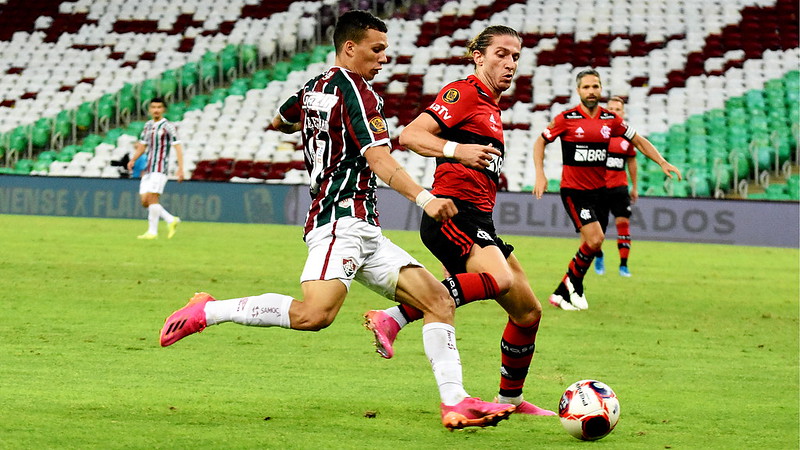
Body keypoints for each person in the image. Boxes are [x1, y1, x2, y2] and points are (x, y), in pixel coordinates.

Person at [158, 11, 516, 430]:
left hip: (365, 227)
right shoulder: (361, 94)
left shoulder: (314, 86)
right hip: (339, 219)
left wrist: (284, 128)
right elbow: (380, 159)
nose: (384, 58)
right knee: (315, 315)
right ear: (350, 48)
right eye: (376, 49)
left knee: (437, 301)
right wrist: (425, 198)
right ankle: (208, 311)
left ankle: (456, 403)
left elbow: (284, 117)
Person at [363, 25, 554, 416]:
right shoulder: (465, 92)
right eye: (501, 53)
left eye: (516, 56)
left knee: (528, 312)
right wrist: (457, 150)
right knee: (499, 279)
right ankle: (395, 316)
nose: (510, 63)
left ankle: (511, 400)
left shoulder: (492, 106)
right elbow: (411, 135)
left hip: (480, 219)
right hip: (452, 212)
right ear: (478, 56)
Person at [532, 69, 681, 311]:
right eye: (586, 87)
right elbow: (540, 142)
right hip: (574, 191)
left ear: (601, 89)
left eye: (595, 86)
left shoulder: (610, 120)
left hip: (599, 192)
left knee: (593, 244)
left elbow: (638, 141)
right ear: (578, 90)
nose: (591, 91)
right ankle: (573, 288)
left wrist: (662, 161)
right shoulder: (566, 119)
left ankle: (562, 291)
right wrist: (540, 174)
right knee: (595, 239)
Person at [127, 97, 184, 239]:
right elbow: (142, 145)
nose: (156, 110)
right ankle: (171, 219)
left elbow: (177, 147)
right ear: (150, 110)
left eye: (159, 107)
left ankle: (152, 232)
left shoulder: (168, 126)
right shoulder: (147, 126)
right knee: (145, 201)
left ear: (163, 109)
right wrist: (133, 159)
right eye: (153, 107)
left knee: (152, 197)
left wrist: (180, 168)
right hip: (149, 168)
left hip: (160, 168)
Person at [594, 96, 637, 277]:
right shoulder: (597, 133)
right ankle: (599, 255)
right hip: (600, 188)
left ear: (623, 112)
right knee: (598, 229)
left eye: (617, 109)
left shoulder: (627, 136)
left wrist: (634, 186)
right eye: (610, 108)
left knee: (623, 224)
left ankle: (624, 265)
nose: (613, 112)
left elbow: (631, 162)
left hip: (620, 187)